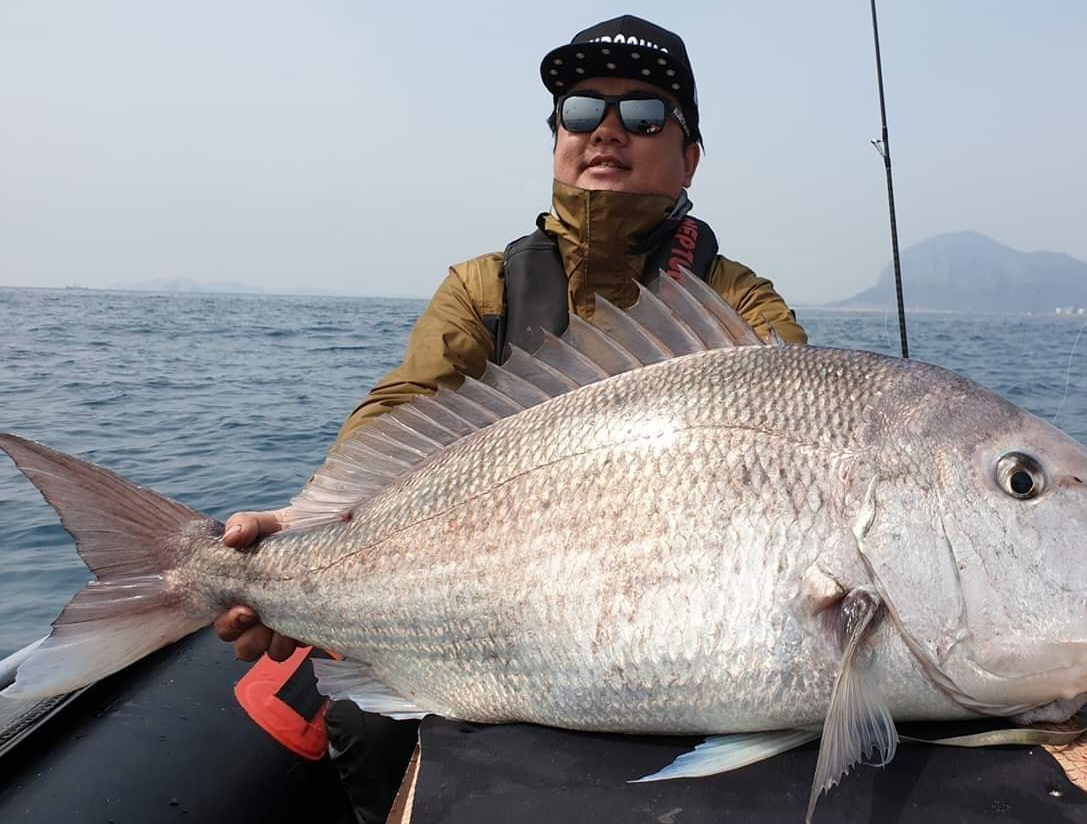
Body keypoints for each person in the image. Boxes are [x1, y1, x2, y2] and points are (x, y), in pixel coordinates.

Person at [213, 14, 807, 824]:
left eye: (642, 114)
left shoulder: (737, 303)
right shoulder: (483, 287)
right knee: (360, 722)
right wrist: (304, 528)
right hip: (485, 598)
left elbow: (797, 433)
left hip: (682, 606)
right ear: (555, 137)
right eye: (579, 110)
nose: (606, 132)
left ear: (689, 154)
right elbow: (401, 414)